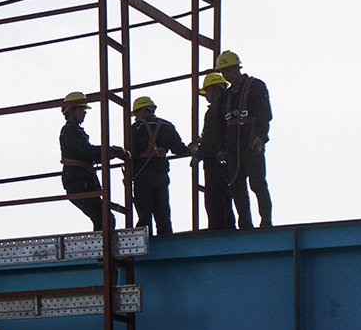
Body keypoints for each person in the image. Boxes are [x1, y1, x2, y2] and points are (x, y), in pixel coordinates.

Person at [214, 49, 273, 228]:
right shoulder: (226, 96)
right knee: (237, 187)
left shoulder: (255, 86)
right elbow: (220, 125)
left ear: (237, 67)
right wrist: (221, 148)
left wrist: (260, 138)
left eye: (229, 70)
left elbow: (264, 115)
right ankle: (245, 223)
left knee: (257, 183)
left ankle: (266, 220)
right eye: (223, 72)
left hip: (251, 145)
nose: (227, 74)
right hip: (233, 149)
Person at [59, 92, 128, 230]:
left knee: (103, 217)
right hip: (79, 181)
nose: (84, 113)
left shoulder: (74, 131)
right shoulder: (70, 131)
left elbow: (87, 153)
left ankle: (102, 247)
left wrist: (109, 152)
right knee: (103, 218)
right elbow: (86, 150)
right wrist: (111, 151)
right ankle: (102, 248)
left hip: (82, 180)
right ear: (72, 110)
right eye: (82, 109)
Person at [126, 96, 191, 237]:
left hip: (142, 177)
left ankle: (146, 242)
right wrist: (192, 150)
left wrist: (129, 176)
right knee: (163, 213)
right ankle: (167, 242)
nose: (135, 117)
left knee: (144, 214)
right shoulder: (167, 126)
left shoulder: (135, 128)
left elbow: (131, 154)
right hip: (161, 175)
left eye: (136, 113)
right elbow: (179, 149)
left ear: (142, 110)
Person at [192, 72, 236, 230]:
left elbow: (211, 135)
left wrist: (199, 154)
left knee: (214, 198)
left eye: (207, 92)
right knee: (227, 197)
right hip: (230, 158)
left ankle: (217, 230)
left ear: (216, 88)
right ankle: (230, 227)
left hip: (214, 160)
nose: (206, 96)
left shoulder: (215, 109)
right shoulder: (231, 104)